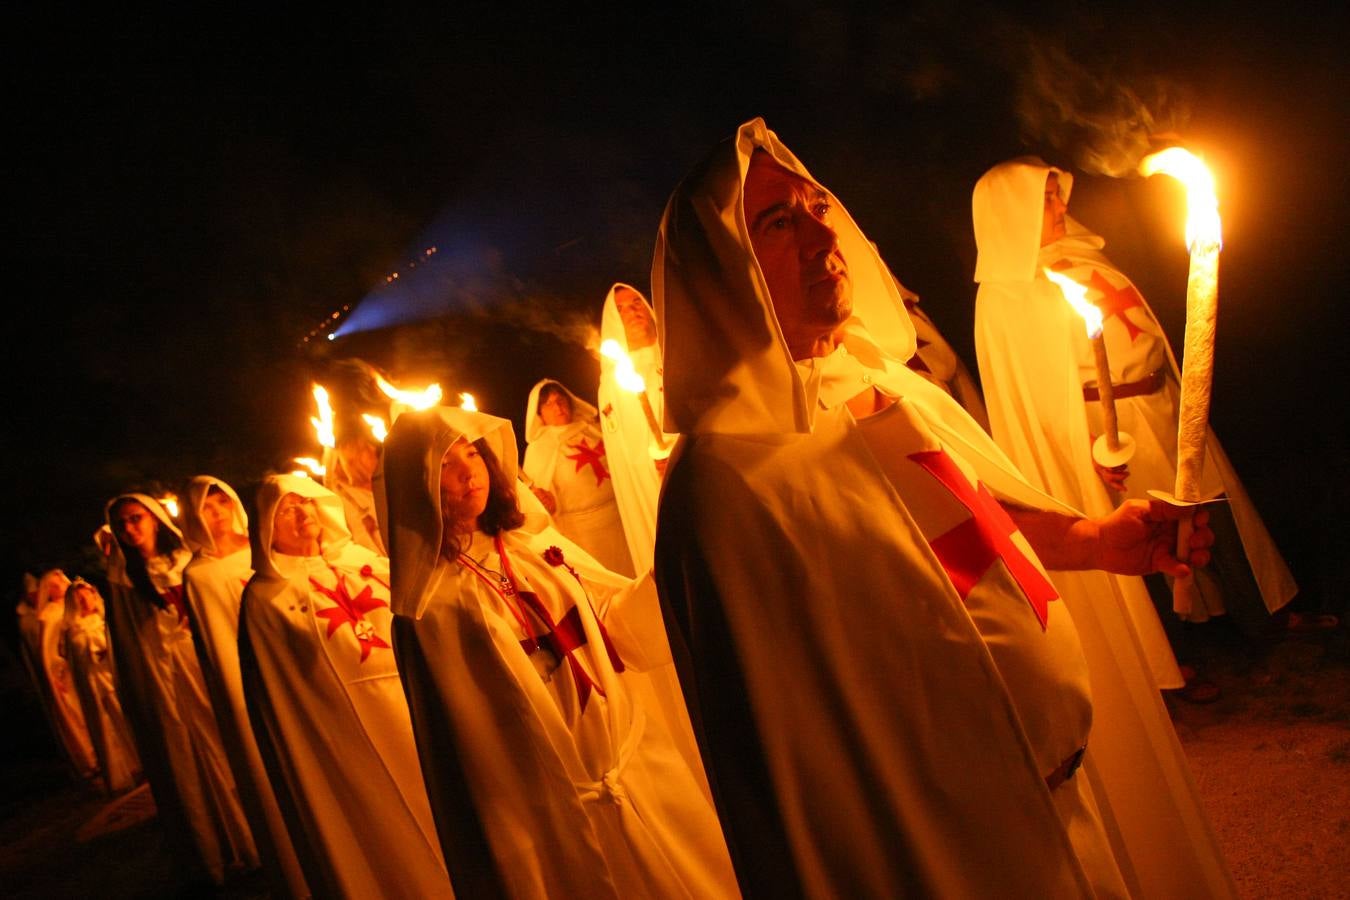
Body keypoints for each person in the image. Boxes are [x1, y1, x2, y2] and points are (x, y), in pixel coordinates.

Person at [653, 118, 1234, 897]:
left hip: (1055, 798)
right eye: (776, 222)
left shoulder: (879, 383)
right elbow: (791, 771)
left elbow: (968, 532)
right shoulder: (727, 486)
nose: (820, 235)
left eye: (818, 206)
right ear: (723, 270)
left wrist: (1098, 539)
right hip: (945, 856)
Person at [376, 406, 737, 899]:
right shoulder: (427, 611)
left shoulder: (533, 547)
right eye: (444, 463)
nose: (468, 471)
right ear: (413, 483)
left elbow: (613, 625)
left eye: (472, 452)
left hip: (633, 762)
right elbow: (472, 749)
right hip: (554, 807)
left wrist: (671, 564)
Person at [972, 158, 1297, 650]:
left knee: (1215, 509)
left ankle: (1262, 620)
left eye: (1059, 193)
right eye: (1045, 198)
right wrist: (1088, 451)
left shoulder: (1084, 255)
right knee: (1146, 535)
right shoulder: (1008, 296)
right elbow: (1037, 399)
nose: (1060, 206)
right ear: (1011, 210)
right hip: (1111, 430)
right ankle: (1182, 654)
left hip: (1163, 405)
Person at [239, 474, 451, 899]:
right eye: (288, 509)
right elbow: (282, 696)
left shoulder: (361, 561)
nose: (303, 513)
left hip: (415, 705)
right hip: (348, 734)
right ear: (266, 526)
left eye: (308, 502)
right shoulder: (265, 599)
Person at [104, 492, 258, 884]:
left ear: (154, 519)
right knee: (186, 758)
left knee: (228, 744)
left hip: (201, 666)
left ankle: (255, 835)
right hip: (163, 680)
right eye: (121, 524)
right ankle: (216, 848)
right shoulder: (121, 579)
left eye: (135, 518)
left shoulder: (188, 561)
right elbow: (128, 644)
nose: (129, 528)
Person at [181, 476, 309, 899]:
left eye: (221, 502)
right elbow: (219, 641)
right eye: (206, 507)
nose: (216, 513)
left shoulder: (263, 548)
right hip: (249, 677)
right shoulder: (200, 574)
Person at [522, 378, 634, 576]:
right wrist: (547, 504)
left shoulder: (595, 430)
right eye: (548, 404)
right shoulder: (539, 449)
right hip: (584, 533)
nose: (557, 406)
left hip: (623, 517)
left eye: (561, 400)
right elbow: (538, 507)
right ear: (539, 414)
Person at [596, 283, 669, 573]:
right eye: (622, 309)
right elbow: (627, 451)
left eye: (636, 302)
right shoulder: (611, 384)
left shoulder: (677, 350)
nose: (632, 311)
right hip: (653, 487)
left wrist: (676, 452)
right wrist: (654, 459)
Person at [62, 578, 141, 793]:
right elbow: (76, 661)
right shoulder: (73, 630)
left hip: (112, 677)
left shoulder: (105, 619)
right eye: (80, 598)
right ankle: (121, 771)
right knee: (106, 725)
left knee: (126, 717)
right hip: (94, 683)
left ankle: (141, 761)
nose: (85, 600)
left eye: (87, 595)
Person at [35, 568, 98, 780]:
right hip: (67, 673)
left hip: (89, 666)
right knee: (80, 715)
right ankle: (93, 757)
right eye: (53, 585)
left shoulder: (76, 605)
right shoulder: (49, 615)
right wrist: (56, 674)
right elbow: (49, 650)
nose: (60, 587)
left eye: (61, 582)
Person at [331, 424, 389, 555]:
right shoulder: (345, 504)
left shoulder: (387, 484)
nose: (373, 449)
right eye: (364, 448)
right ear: (351, 460)